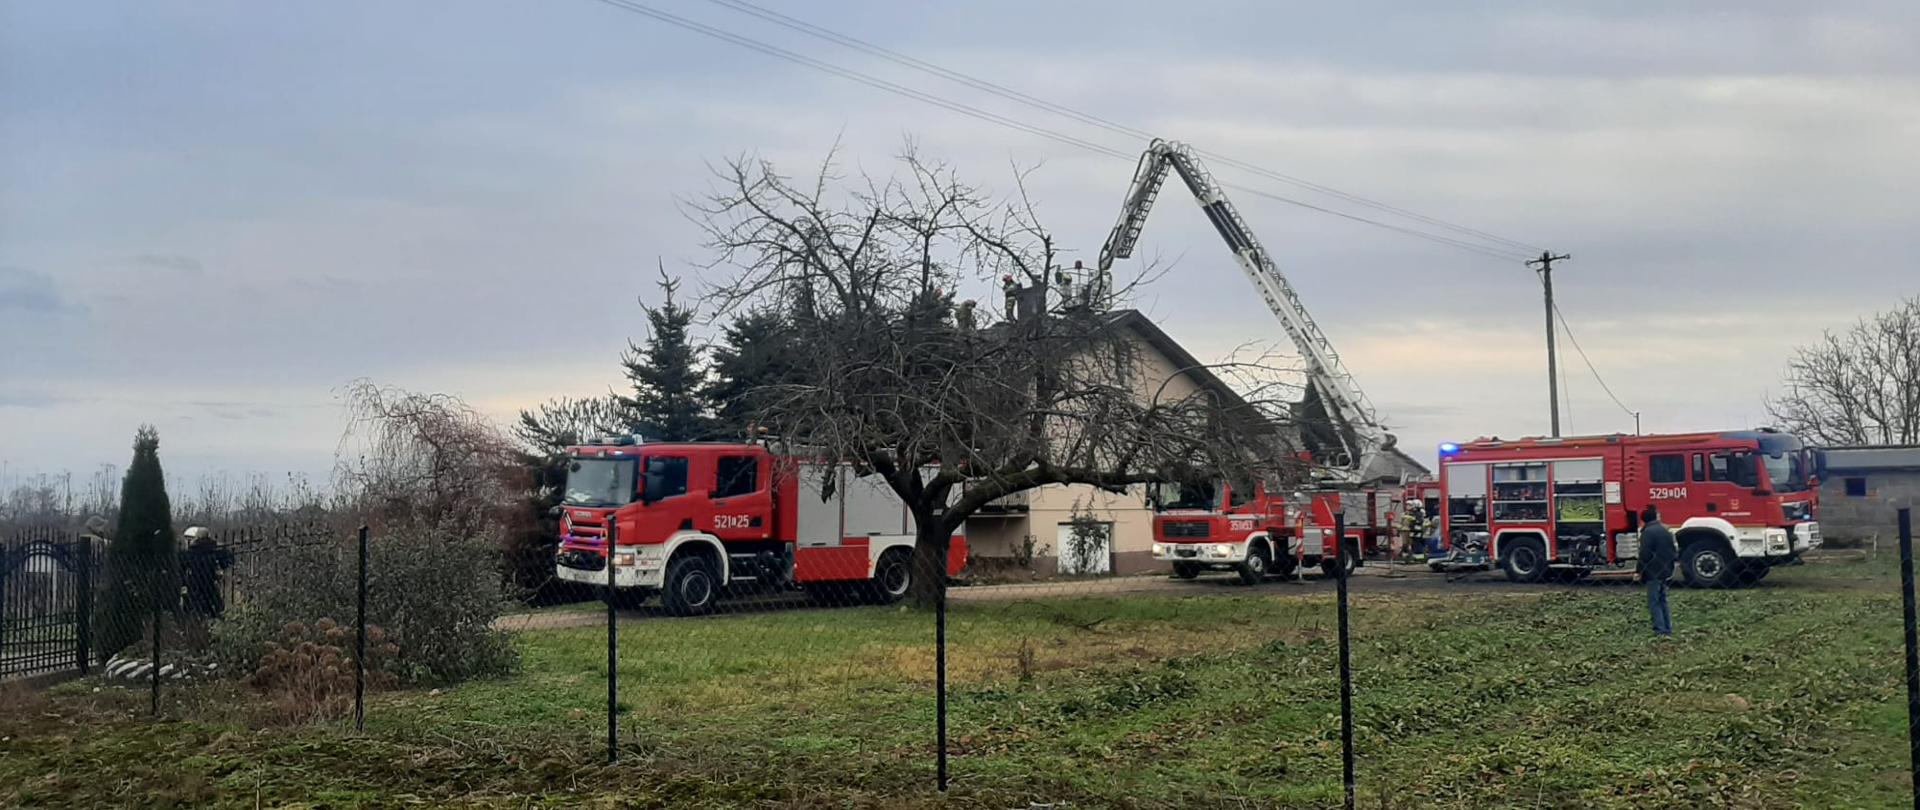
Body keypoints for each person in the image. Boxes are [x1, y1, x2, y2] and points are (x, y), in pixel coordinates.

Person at [1639, 506, 1676, 636]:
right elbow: (1673, 551)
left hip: (1653, 571)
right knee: (1663, 600)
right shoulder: (1665, 530)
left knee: (1654, 601)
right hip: (1665, 570)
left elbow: (1645, 554)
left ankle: (1659, 629)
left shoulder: (1647, 533)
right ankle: (1668, 628)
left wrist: (1639, 570)